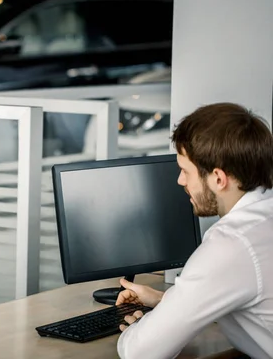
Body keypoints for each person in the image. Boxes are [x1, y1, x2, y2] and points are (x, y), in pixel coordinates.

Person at [116, 103, 273, 359]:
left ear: (218, 179)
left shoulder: (231, 243)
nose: (180, 181)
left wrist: (140, 328)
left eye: (185, 171)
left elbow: (140, 352)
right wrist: (168, 300)